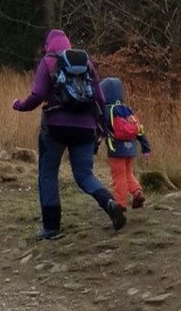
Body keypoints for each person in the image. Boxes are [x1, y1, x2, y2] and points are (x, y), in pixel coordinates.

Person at [12, 29, 125, 239]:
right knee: (84, 175)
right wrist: (100, 125)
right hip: (85, 128)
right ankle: (109, 202)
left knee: (48, 174)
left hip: (55, 127)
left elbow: (37, 95)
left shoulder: (48, 61)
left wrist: (19, 105)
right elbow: (99, 98)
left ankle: (51, 228)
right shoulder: (86, 63)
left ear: (49, 45)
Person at [100, 76, 152, 210]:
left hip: (116, 149)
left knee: (118, 176)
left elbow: (100, 131)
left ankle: (120, 204)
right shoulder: (127, 110)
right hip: (131, 149)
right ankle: (137, 192)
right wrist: (146, 148)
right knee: (128, 172)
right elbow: (139, 130)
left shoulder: (106, 110)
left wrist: (94, 147)